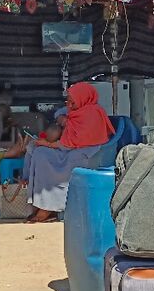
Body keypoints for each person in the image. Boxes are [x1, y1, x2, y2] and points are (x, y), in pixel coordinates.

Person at [24, 82, 114, 223]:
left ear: (83, 98)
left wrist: (48, 144)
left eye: (73, 101)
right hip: (68, 150)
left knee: (46, 157)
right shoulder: (77, 109)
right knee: (39, 153)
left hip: (85, 154)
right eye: (68, 101)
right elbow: (60, 113)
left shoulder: (92, 114)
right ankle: (41, 203)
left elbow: (73, 142)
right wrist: (62, 118)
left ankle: (49, 207)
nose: (69, 105)